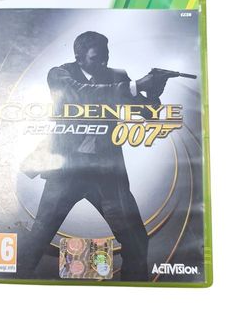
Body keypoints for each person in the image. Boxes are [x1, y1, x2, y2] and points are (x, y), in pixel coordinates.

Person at [20, 31, 168, 281]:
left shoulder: (116, 77)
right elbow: (83, 94)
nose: (103, 62)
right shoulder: (59, 74)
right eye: (96, 58)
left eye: (106, 57)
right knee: (39, 237)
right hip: (66, 171)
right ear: (79, 57)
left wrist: (154, 91)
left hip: (105, 173)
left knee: (136, 239)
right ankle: (13, 276)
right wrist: (136, 86)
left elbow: (148, 113)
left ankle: (134, 289)